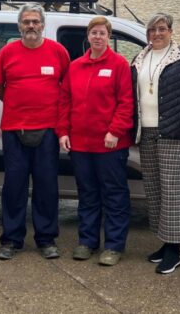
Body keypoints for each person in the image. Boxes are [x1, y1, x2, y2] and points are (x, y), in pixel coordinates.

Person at [0, 3, 70, 260]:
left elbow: (67, 88)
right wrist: (16, 102)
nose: (31, 26)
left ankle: (46, 239)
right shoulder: (7, 52)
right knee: (14, 186)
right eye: (26, 22)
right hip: (15, 129)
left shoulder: (58, 52)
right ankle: (11, 240)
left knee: (47, 186)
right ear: (19, 25)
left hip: (47, 130)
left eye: (35, 21)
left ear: (43, 24)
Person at [131, 13, 180, 274]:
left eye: (162, 29)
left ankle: (175, 250)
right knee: (154, 190)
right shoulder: (139, 58)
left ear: (171, 31)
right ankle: (165, 242)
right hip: (147, 134)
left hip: (174, 132)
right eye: (152, 30)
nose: (157, 34)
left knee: (173, 192)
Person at [57, 16, 134, 266]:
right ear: (88, 37)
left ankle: (113, 245)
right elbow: (65, 101)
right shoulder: (76, 66)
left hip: (110, 144)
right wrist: (63, 132)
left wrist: (115, 131)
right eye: (94, 33)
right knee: (87, 195)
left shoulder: (119, 64)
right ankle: (87, 241)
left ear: (108, 37)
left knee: (114, 196)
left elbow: (126, 102)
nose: (98, 37)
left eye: (102, 33)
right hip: (80, 145)